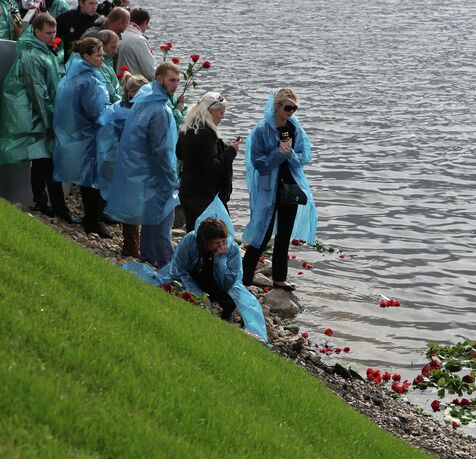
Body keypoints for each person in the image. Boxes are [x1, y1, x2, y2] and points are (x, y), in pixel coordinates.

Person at [122, 202, 269, 342]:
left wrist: (219, 260)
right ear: (205, 240)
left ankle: (226, 319)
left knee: (232, 300)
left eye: (223, 241)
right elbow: (179, 270)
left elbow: (230, 281)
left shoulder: (230, 248)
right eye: (216, 243)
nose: (221, 245)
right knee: (172, 287)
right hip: (192, 275)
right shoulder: (190, 240)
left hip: (217, 280)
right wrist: (199, 295)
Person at [0, 13, 75, 222]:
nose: (53, 37)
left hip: (37, 116)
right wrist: (50, 120)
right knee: (46, 160)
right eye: (49, 33)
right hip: (36, 117)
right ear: (37, 32)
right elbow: (38, 92)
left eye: (54, 32)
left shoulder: (41, 51)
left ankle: (45, 203)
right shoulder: (33, 55)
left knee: (42, 161)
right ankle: (55, 206)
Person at [105, 62, 180, 267]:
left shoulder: (142, 103)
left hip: (141, 172)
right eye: (171, 80)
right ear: (159, 79)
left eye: (178, 81)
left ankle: (148, 259)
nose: (175, 85)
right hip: (156, 174)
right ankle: (167, 265)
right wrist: (172, 178)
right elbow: (161, 150)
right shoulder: (161, 111)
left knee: (149, 217)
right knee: (163, 221)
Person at [242, 88, 317, 289]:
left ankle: (279, 277)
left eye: (294, 108)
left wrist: (291, 154)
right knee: (262, 233)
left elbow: (304, 157)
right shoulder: (261, 130)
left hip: (290, 188)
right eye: (287, 107)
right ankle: (244, 278)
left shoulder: (295, 129)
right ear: (277, 106)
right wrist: (278, 153)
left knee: (284, 234)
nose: (291, 111)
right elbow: (258, 163)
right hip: (268, 189)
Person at [53, 36, 112, 237]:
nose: (102, 58)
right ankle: (92, 221)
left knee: (87, 179)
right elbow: (98, 113)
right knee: (92, 181)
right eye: (98, 55)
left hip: (75, 135)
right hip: (89, 137)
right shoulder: (89, 80)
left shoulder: (71, 75)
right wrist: (120, 111)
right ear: (86, 56)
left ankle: (91, 219)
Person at [97, 71, 147, 256]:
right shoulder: (128, 112)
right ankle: (132, 246)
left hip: (121, 162)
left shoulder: (119, 108)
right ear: (133, 92)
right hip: (129, 163)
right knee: (133, 205)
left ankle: (132, 244)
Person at [176, 92, 239, 232]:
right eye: (221, 113)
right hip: (204, 197)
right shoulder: (206, 133)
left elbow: (179, 154)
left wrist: (221, 148)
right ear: (210, 111)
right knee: (215, 236)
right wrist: (230, 152)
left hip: (188, 191)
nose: (223, 117)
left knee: (194, 233)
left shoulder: (187, 128)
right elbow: (213, 169)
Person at [116, 7, 152, 80]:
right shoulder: (139, 40)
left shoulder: (118, 34)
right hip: (135, 86)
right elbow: (150, 72)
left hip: (118, 84)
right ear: (145, 22)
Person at [94, 29, 120, 102]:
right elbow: (111, 94)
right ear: (102, 45)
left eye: (116, 47)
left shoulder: (107, 61)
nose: (115, 51)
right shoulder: (100, 64)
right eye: (113, 47)